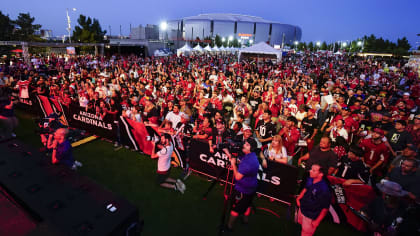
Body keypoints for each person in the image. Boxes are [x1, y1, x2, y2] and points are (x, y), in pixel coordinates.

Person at [225, 140, 259, 231]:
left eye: (247, 145)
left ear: (251, 148)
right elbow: (240, 161)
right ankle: (245, 221)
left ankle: (229, 227)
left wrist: (233, 164)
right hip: (251, 187)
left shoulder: (248, 162)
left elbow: (238, 177)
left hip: (243, 189)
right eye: (245, 143)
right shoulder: (251, 156)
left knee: (235, 209)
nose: (244, 145)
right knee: (247, 204)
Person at [296, 164, 331, 236]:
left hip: (310, 215)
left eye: (313, 170)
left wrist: (317, 221)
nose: (310, 171)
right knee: (300, 224)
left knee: (306, 233)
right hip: (302, 208)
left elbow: (325, 208)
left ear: (321, 174)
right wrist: (299, 198)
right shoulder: (310, 178)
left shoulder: (324, 190)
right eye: (311, 169)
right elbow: (306, 188)